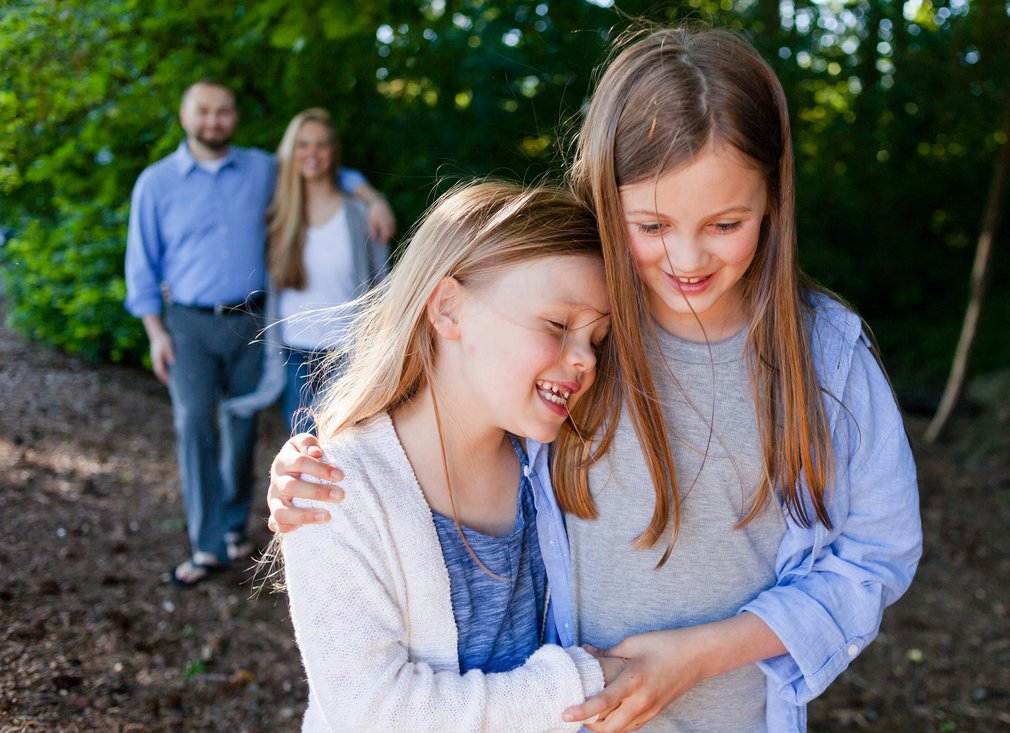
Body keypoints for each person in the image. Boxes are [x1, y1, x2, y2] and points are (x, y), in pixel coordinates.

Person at [267, 25, 922, 732]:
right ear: (610, 204)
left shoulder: (823, 355)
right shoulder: (590, 321)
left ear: (772, 202)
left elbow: (875, 553)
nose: (687, 256)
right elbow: (458, 403)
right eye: (652, 223)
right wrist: (320, 464)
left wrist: (697, 656)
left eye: (726, 222)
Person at [278, 180, 618, 731]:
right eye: (558, 325)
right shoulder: (334, 490)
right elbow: (370, 712)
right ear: (449, 309)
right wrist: (579, 684)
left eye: (596, 339)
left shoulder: (560, 464)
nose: (584, 359)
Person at [124, 80, 395, 588]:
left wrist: (370, 193)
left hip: (252, 319)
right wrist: (155, 332)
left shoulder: (259, 169)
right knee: (195, 423)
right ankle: (206, 547)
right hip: (187, 324)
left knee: (243, 426)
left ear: (234, 117)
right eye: (203, 111)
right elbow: (141, 264)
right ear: (185, 116)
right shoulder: (156, 183)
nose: (213, 121)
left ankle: (233, 528)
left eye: (223, 112)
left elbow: (318, 168)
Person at [221, 108, 391, 434]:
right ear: (290, 151)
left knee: (347, 446)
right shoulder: (278, 212)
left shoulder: (359, 214)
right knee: (304, 446)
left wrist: (375, 198)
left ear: (334, 152)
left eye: (322, 145)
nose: (312, 154)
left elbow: (382, 284)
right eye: (303, 144)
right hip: (295, 352)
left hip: (348, 353)